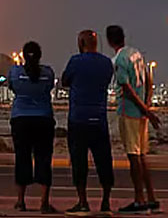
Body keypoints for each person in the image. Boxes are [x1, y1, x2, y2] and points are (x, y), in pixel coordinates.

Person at [106, 25, 161, 214]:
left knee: (133, 156)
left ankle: (139, 199)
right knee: (142, 155)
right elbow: (148, 79)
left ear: (109, 41)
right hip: (141, 113)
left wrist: (145, 109)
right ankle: (151, 198)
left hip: (129, 112)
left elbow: (127, 89)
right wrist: (147, 107)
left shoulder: (119, 60)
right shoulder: (136, 53)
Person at [61, 29, 115, 215]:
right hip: (99, 118)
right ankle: (106, 201)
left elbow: (65, 81)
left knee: (79, 162)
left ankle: (83, 202)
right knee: (104, 160)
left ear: (81, 43)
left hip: (78, 118)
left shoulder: (75, 62)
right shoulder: (106, 63)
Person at [7, 41, 57, 213]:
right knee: (44, 159)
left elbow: (12, 87)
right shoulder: (48, 73)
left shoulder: (15, 72)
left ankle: (20, 201)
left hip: (21, 119)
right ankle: (44, 202)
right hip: (43, 119)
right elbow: (49, 88)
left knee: (22, 158)